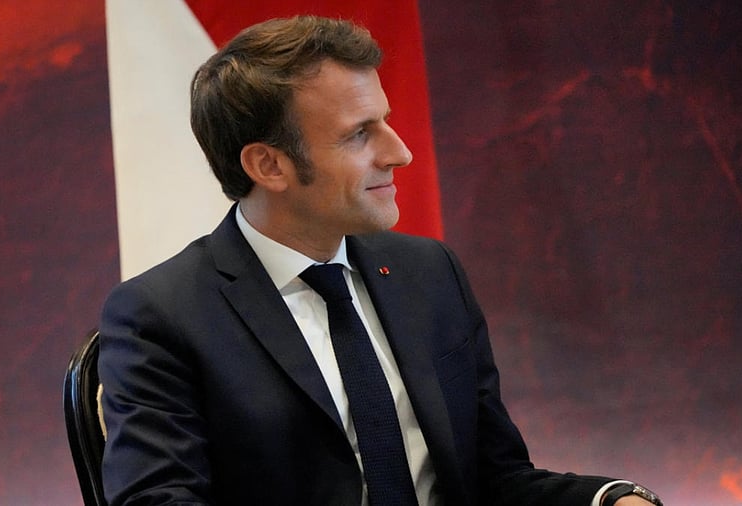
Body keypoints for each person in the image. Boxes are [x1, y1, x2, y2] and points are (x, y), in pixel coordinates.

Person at [97, 15, 663, 506]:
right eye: (359, 135)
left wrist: (610, 500)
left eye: (385, 121)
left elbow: (493, 482)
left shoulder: (430, 273)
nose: (399, 151)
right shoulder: (160, 316)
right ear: (268, 166)